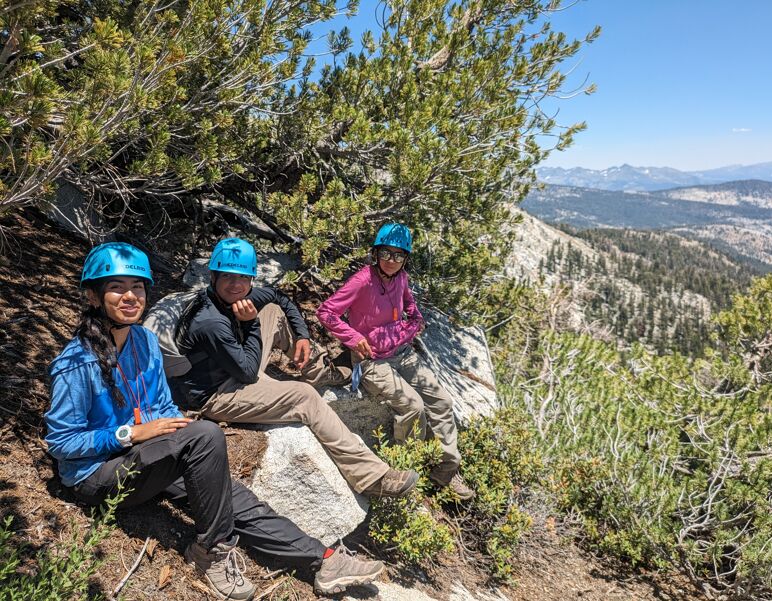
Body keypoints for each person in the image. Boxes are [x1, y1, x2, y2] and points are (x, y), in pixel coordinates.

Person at [45, 242, 386, 600]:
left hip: (145, 457)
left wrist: (168, 430)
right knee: (205, 436)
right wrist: (130, 433)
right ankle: (210, 553)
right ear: (93, 296)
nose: (131, 296)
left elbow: (161, 404)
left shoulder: (144, 340)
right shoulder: (76, 363)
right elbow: (62, 444)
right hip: (96, 477)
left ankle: (322, 560)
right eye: (117, 287)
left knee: (230, 493)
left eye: (138, 287)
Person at [169, 237, 418, 498]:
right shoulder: (210, 322)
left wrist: (301, 336)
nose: (237, 285)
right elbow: (248, 372)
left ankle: (321, 372)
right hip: (217, 393)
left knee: (273, 311)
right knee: (305, 397)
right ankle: (372, 478)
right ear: (214, 275)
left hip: (232, 365)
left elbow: (280, 298)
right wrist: (251, 324)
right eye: (229, 277)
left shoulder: (235, 296)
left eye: (243, 278)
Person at [317, 224, 475, 501]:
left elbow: (409, 304)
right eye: (386, 253)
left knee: (441, 402)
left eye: (398, 255)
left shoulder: (401, 279)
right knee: (412, 405)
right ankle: (408, 470)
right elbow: (327, 312)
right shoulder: (362, 280)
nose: (391, 260)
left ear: (405, 259)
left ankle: (445, 473)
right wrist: (352, 337)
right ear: (376, 253)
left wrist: (415, 320)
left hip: (401, 351)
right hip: (371, 359)